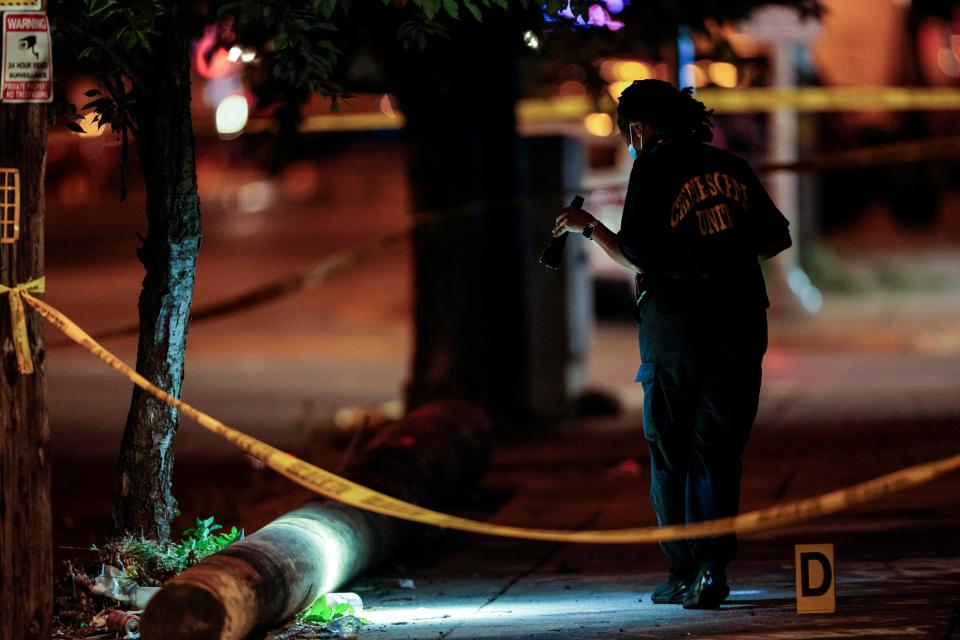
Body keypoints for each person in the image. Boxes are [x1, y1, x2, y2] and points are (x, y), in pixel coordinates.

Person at [553, 79, 792, 609]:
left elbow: (637, 253)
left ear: (638, 128)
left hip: (678, 331)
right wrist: (723, 250)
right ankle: (714, 569)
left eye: (628, 134)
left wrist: (587, 225)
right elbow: (776, 236)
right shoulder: (729, 166)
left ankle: (685, 569)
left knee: (670, 451)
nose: (630, 144)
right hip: (740, 325)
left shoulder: (652, 169)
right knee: (718, 451)